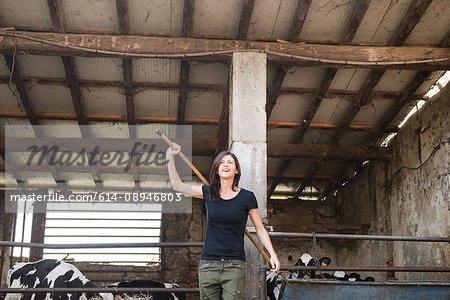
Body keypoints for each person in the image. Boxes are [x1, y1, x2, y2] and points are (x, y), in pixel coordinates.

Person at [166, 143, 280, 300]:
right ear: (217, 169)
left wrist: (272, 254)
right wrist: (170, 157)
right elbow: (177, 185)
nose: (225, 164)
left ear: (236, 170)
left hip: (234, 266)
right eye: (222, 162)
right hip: (208, 265)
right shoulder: (208, 192)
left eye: (230, 162)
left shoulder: (247, 197)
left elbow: (260, 228)